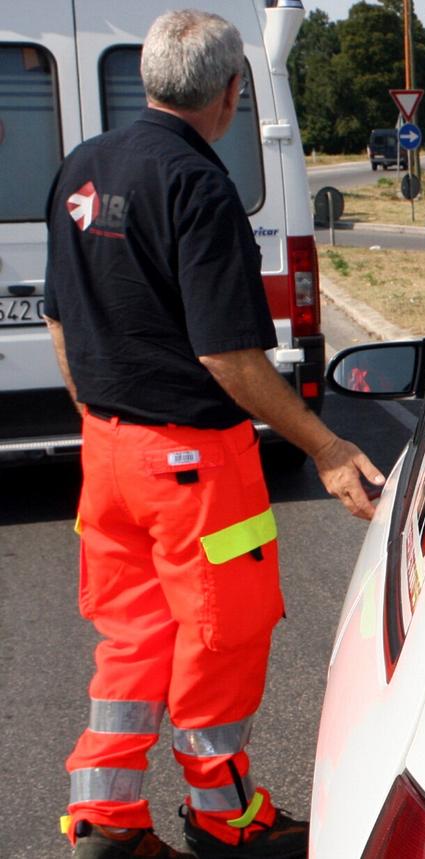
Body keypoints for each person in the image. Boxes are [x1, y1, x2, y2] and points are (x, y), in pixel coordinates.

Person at [43, 9, 385, 858]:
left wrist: (96, 412)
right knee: (220, 635)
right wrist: (328, 446)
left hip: (107, 450)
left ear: (149, 80)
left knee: (133, 636)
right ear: (232, 94)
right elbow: (229, 356)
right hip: (192, 464)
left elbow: (58, 320)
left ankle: (105, 818)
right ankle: (226, 815)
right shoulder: (197, 186)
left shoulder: (82, 167)